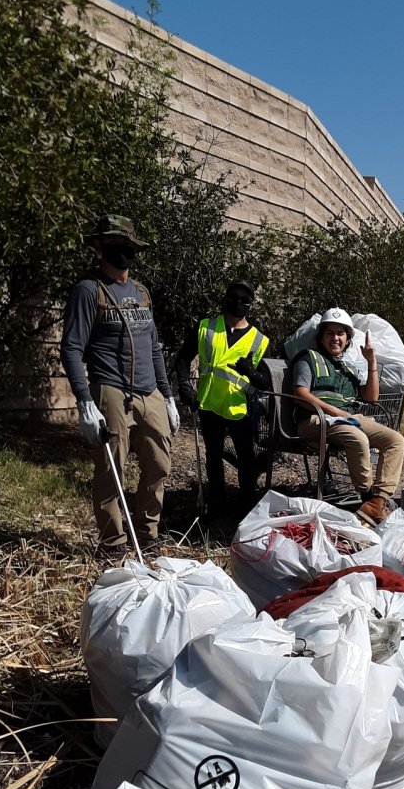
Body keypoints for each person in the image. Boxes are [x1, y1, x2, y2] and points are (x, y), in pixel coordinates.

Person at [60, 214, 179, 556]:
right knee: (112, 467)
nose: (122, 252)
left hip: (149, 391)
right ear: (99, 248)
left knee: (160, 464)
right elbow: (71, 347)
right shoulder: (88, 291)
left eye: (127, 245)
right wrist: (84, 402)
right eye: (113, 245)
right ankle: (113, 543)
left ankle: (147, 532)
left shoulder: (141, 293)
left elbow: (154, 347)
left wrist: (167, 395)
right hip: (110, 390)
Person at [291, 307, 404, 526]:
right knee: (357, 437)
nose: (335, 338)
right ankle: (367, 496)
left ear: (347, 339)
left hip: (346, 419)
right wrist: (334, 411)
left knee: (395, 440)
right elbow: (300, 394)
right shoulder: (309, 358)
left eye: (340, 333)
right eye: (330, 333)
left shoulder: (348, 368)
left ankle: (378, 500)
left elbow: (371, 397)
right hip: (314, 420)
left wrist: (371, 361)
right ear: (321, 337)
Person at [176, 280, 271, 519]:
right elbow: (183, 359)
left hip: (240, 408)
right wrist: (185, 385)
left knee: (246, 461)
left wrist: (250, 370)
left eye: (244, 299)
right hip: (209, 404)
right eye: (233, 296)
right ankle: (217, 506)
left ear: (251, 305)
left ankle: (246, 510)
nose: (237, 302)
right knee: (213, 457)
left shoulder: (259, 340)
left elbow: (264, 382)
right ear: (226, 297)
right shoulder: (206, 327)